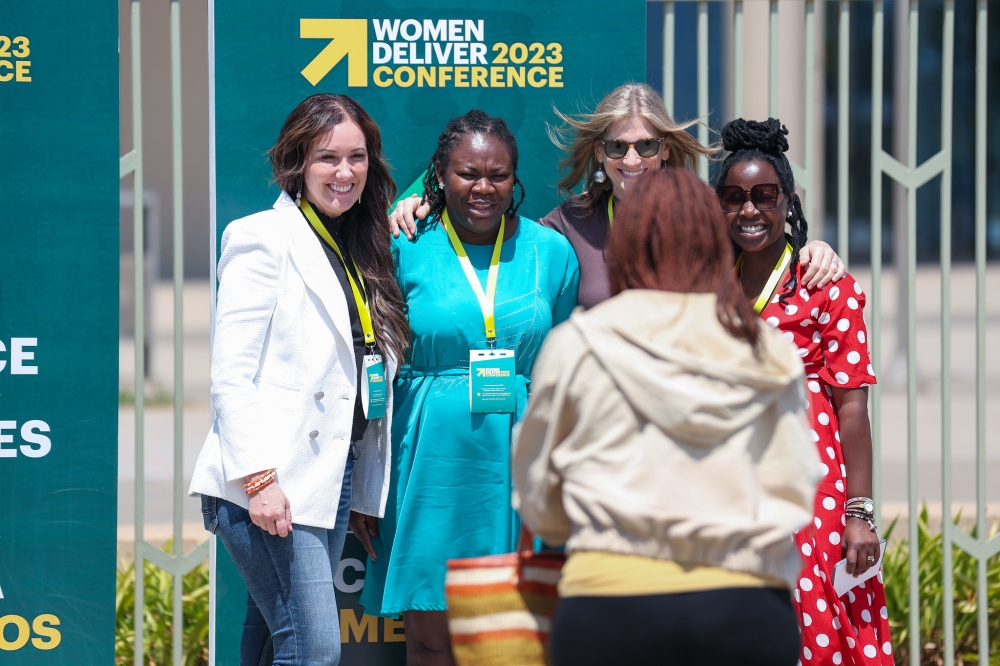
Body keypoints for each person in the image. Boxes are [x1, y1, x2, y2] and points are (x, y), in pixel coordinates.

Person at [513, 167, 820, 666]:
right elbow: (795, 482)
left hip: (610, 605)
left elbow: (537, 492)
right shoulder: (766, 349)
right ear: (715, 241)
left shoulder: (581, 343)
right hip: (746, 605)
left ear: (626, 243)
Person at [188, 93, 409, 666]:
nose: (344, 172)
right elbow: (229, 377)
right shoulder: (261, 236)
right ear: (297, 164)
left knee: (269, 639)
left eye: (357, 157)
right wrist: (260, 481)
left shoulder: (364, 245)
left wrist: (361, 489)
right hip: (269, 479)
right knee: (312, 647)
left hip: (331, 478)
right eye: (326, 158)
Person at [352, 109, 580, 665]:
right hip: (428, 458)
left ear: (515, 178)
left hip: (519, 463)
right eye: (467, 173)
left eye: (497, 174)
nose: (483, 187)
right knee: (432, 641)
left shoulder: (551, 252)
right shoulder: (403, 243)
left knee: (513, 641)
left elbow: (566, 362)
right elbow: (368, 357)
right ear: (441, 175)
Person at [389, 83, 846, 307]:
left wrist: (813, 248)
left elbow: (761, 242)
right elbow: (487, 223)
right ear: (600, 154)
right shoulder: (567, 225)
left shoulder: (705, 217)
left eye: (645, 145)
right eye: (617, 146)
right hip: (605, 433)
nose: (632, 160)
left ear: (665, 149)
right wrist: (423, 202)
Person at [716, 117, 891, 666]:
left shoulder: (827, 286)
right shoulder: (711, 283)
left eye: (765, 196)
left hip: (810, 492)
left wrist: (858, 512)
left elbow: (853, 406)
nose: (749, 210)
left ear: (787, 199)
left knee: (814, 624)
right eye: (735, 197)